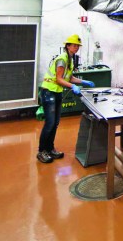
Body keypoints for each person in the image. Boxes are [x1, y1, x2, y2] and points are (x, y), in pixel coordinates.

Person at [37, 34, 95, 163]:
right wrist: (73, 86)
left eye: (78, 46)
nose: (76, 48)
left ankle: (50, 149)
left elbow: (69, 78)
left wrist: (83, 82)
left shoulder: (70, 59)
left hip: (56, 92)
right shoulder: (62, 59)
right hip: (49, 91)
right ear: (68, 46)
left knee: (55, 123)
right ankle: (42, 151)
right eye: (74, 45)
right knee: (50, 123)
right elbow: (59, 79)